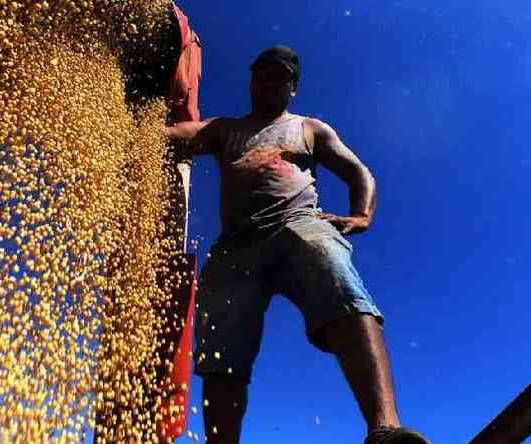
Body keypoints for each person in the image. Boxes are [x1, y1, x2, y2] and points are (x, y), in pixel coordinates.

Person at [164, 46, 430, 444]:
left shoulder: (309, 129)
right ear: (251, 81)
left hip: (298, 224)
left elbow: (359, 172)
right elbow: (179, 136)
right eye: (262, 74)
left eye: (280, 77)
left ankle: (384, 429)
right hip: (236, 244)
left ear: (293, 87)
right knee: (221, 348)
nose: (270, 82)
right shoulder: (226, 129)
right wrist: (136, 129)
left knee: (336, 277)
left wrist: (361, 215)